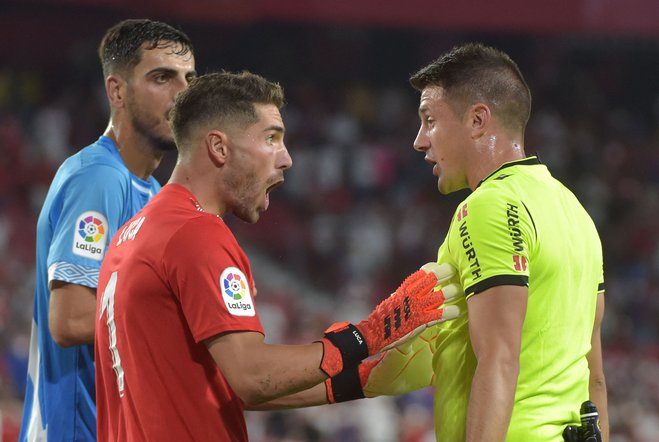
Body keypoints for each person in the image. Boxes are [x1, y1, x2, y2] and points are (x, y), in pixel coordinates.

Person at [94, 71, 460, 441]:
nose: (286, 158)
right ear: (219, 148)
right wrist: (368, 335)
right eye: (271, 139)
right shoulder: (196, 232)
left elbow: (226, 385)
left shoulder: (132, 235)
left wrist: (363, 379)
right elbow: (252, 376)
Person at [345, 42, 608, 441]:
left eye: (429, 120)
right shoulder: (576, 213)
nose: (419, 140)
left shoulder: (489, 205)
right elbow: (596, 378)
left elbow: (499, 359)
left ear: (477, 120)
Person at [20, 19, 196, 441]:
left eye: (189, 79)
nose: (183, 94)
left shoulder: (152, 192)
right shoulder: (98, 178)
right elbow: (70, 320)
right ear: (117, 91)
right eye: (162, 78)